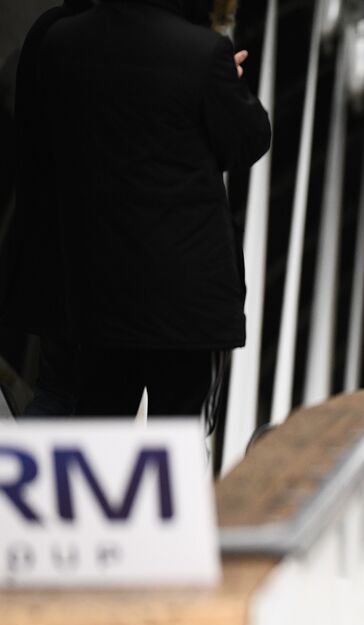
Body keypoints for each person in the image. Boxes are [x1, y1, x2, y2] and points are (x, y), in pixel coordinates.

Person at [35, 0, 270, 426]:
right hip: (186, 299)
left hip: (99, 291)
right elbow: (248, 141)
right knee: (177, 439)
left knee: (100, 432)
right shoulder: (202, 53)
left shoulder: (62, 42)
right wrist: (226, 86)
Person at [0, 0, 94, 417]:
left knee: (57, 383)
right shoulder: (86, 39)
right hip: (95, 254)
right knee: (77, 391)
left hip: (48, 244)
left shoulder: (47, 32)